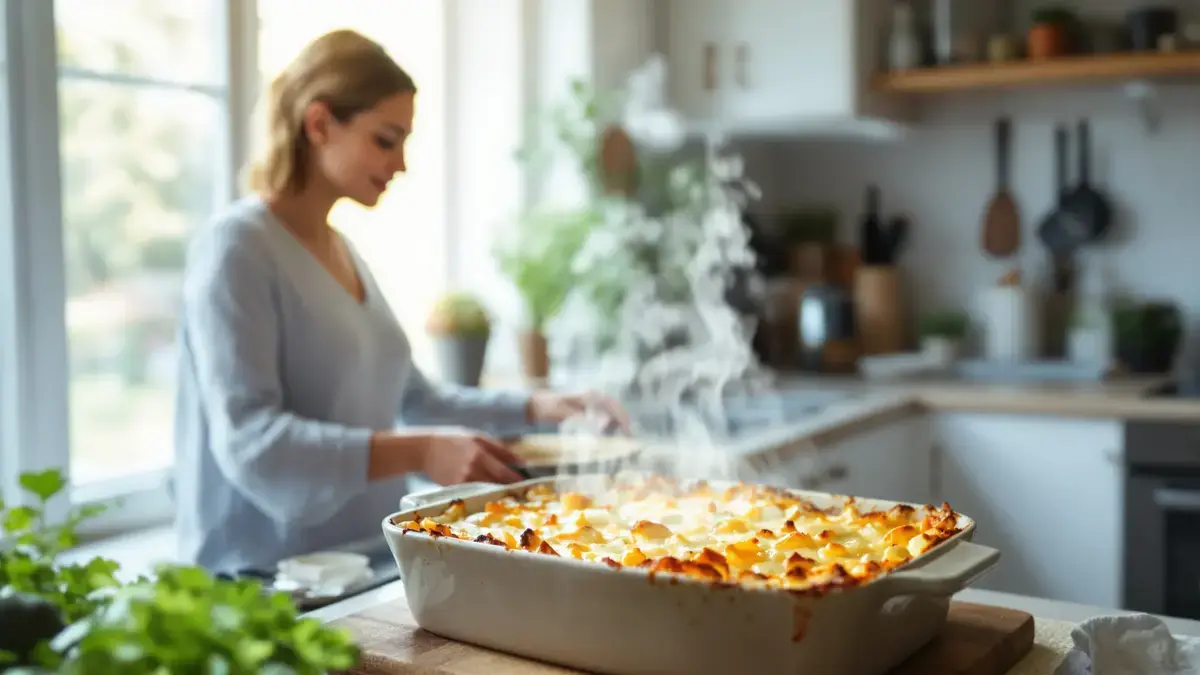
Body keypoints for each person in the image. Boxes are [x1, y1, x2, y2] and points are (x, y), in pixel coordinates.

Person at [172, 29, 625, 574]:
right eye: (386, 140)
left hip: (361, 567)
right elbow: (252, 442)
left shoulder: (342, 250)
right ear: (318, 125)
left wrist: (540, 408)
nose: (402, 164)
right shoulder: (237, 248)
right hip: (266, 584)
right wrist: (419, 451)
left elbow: (415, 401)